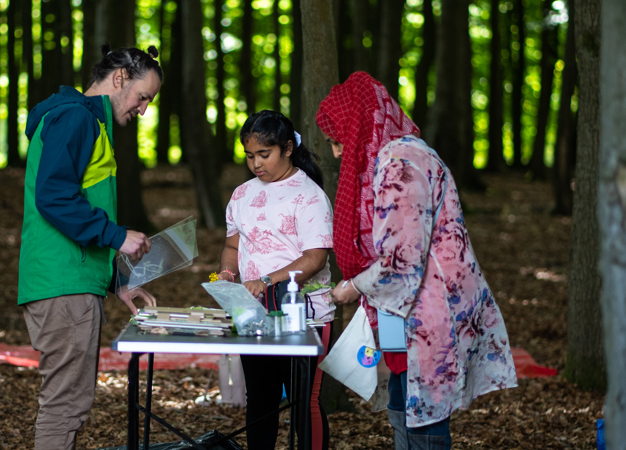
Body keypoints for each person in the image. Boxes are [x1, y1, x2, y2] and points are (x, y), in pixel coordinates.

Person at [320, 72, 518, 449]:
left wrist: (352, 287)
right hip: (410, 311)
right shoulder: (396, 155)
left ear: (358, 127)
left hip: (429, 310)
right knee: (402, 408)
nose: (336, 152)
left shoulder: (401, 163)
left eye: (337, 140)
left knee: (423, 422)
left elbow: (401, 261)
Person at [18, 45, 161, 449]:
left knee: (70, 404)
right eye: (142, 97)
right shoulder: (76, 118)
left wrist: (117, 280)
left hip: (72, 279)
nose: (143, 110)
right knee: (65, 406)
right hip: (64, 284)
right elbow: (54, 196)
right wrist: (117, 236)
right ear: (119, 78)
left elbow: (79, 205)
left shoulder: (86, 122)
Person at [217, 110, 334, 450]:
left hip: (305, 314)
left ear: (287, 149)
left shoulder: (309, 195)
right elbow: (232, 246)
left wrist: (267, 280)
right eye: (249, 155)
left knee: (303, 400)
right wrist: (228, 273)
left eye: (264, 154)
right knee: (260, 398)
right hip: (254, 314)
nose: (256, 163)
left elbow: (315, 257)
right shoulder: (242, 194)